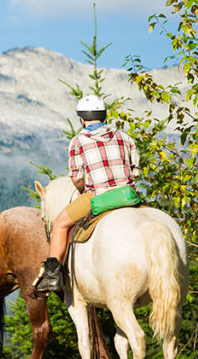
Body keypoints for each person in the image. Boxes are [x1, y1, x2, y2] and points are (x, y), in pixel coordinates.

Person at [35, 95, 140, 292]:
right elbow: (135, 171)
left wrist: (84, 189)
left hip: (98, 195)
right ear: (104, 115)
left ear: (82, 119)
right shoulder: (125, 137)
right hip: (128, 194)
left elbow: (76, 178)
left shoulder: (78, 141)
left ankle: (52, 276)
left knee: (60, 223)